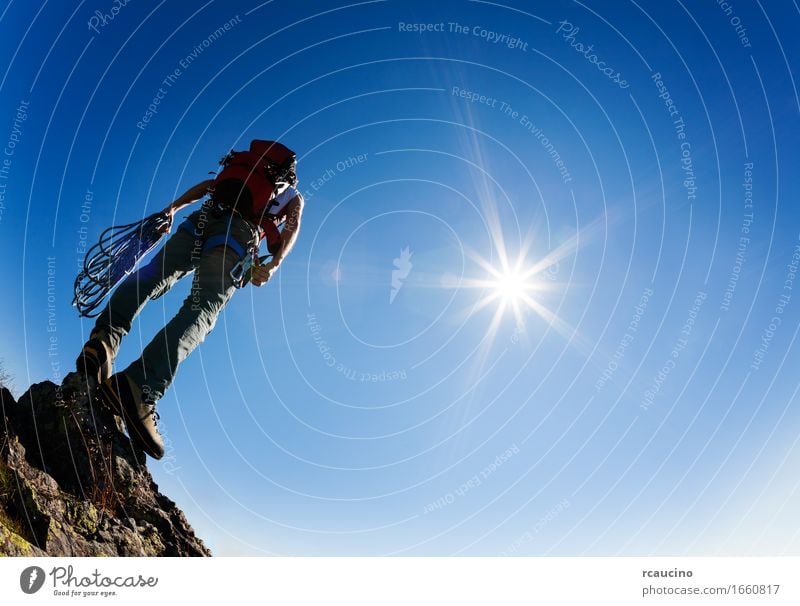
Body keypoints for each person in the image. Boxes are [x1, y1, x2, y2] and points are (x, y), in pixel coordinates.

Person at [76, 140, 304, 459]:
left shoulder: (242, 166)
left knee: (152, 275)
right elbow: (292, 225)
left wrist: (172, 208)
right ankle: (139, 387)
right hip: (237, 235)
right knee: (202, 311)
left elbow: (208, 186)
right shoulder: (290, 192)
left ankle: (103, 341)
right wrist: (274, 263)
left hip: (202, 218)